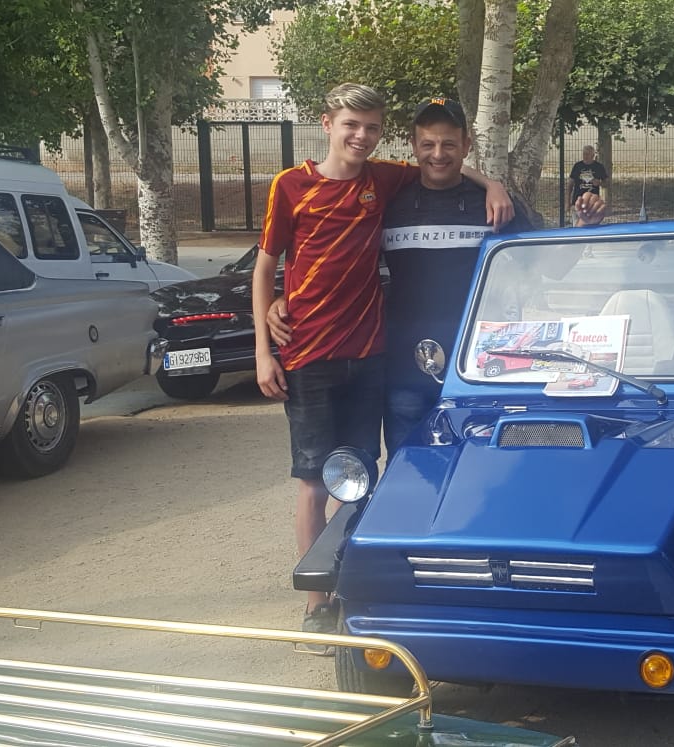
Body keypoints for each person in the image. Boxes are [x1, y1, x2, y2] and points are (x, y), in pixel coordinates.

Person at [251, 84, 513, 645]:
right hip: (308, 355)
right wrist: (264, 343)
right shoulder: (291, 185)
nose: (361, 136)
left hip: (372, 354)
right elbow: (266, 264)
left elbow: (444, 164)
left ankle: (370, 582)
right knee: (316, 482)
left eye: (371, 127)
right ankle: (318, 601)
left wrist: (493, 183)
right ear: (327, 124)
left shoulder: (383, 180)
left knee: (366, 475)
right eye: (351, 125)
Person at [267, 97, 606, 456]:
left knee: (480, 471)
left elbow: (549, 268)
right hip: (404, 373)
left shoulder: (497, 205)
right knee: (409, 473)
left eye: (449, 144)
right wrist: (284, 298)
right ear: (413, 146)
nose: (438, 154)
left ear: (466, 145)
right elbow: (343, 261)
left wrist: (583, 228)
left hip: (482, 371)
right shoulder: (389, 201)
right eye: (427, 144)